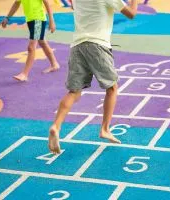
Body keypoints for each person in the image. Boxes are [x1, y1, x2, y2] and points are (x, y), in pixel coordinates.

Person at [48, 0, 138, 154]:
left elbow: (73, 5)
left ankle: (56, 125)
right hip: (98, 45)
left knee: (74, 92)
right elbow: (131, 14)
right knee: (112, 87)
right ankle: (104, 129)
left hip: (77, 46)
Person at [0, 0, 60, 82]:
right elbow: (16, 3)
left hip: (38, 19)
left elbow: (46, 3)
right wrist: (7, 18)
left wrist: (52, 21)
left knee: (31, 47)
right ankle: (54, 64)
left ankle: (24, 74)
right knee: (41, 42)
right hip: (30, 20)